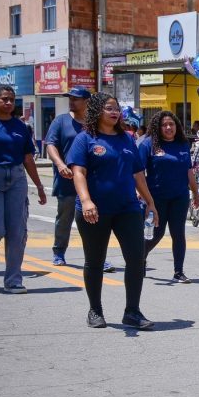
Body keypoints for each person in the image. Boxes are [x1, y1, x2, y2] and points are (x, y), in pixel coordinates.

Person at [67, 92, 158, 328]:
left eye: (116, 108)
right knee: (95, 261)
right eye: (109, 108)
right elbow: (79, 173)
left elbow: (137, 173)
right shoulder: (85, 139)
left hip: (127, 208)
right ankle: (95, 311)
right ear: (97, 110)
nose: (114, 112)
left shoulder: (127, 139)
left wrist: (150, 202)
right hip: (95, 211)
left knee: (136, 259)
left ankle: (132, 312)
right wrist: (86, 201)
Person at [0, 84, 46, 293]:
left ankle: (13, 280)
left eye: (11, 99)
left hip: (17, 179)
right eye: (4, 99)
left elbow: (28, 158)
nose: (8, 103)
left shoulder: (21, 127)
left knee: (17, 232)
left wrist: (39, 186)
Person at [140, 111, 198, 283]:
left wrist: (195, 193)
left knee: (178, 233)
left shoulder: (182, 144)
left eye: (171, 124)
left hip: (179, 197)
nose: (168, 128)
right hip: (156, 198)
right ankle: (139, 258)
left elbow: (189, 171)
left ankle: (178, 271)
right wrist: (140, 193)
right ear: (158, 127)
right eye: (164, 125)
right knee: (156, 234)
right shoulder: (148, 144)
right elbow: (138, 172)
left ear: (176, 126)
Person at [44, 87, 90, 268]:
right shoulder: (61, 121)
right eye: (70, 98)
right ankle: (59, 253)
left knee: (93, 221)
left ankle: (95, 257)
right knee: (64, 219)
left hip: (90, 182)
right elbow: (50, 145)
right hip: (67, 181)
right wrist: (60, 164)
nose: (72, 101)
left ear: (87, 102)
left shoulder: (94, 123)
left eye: (76, 99)